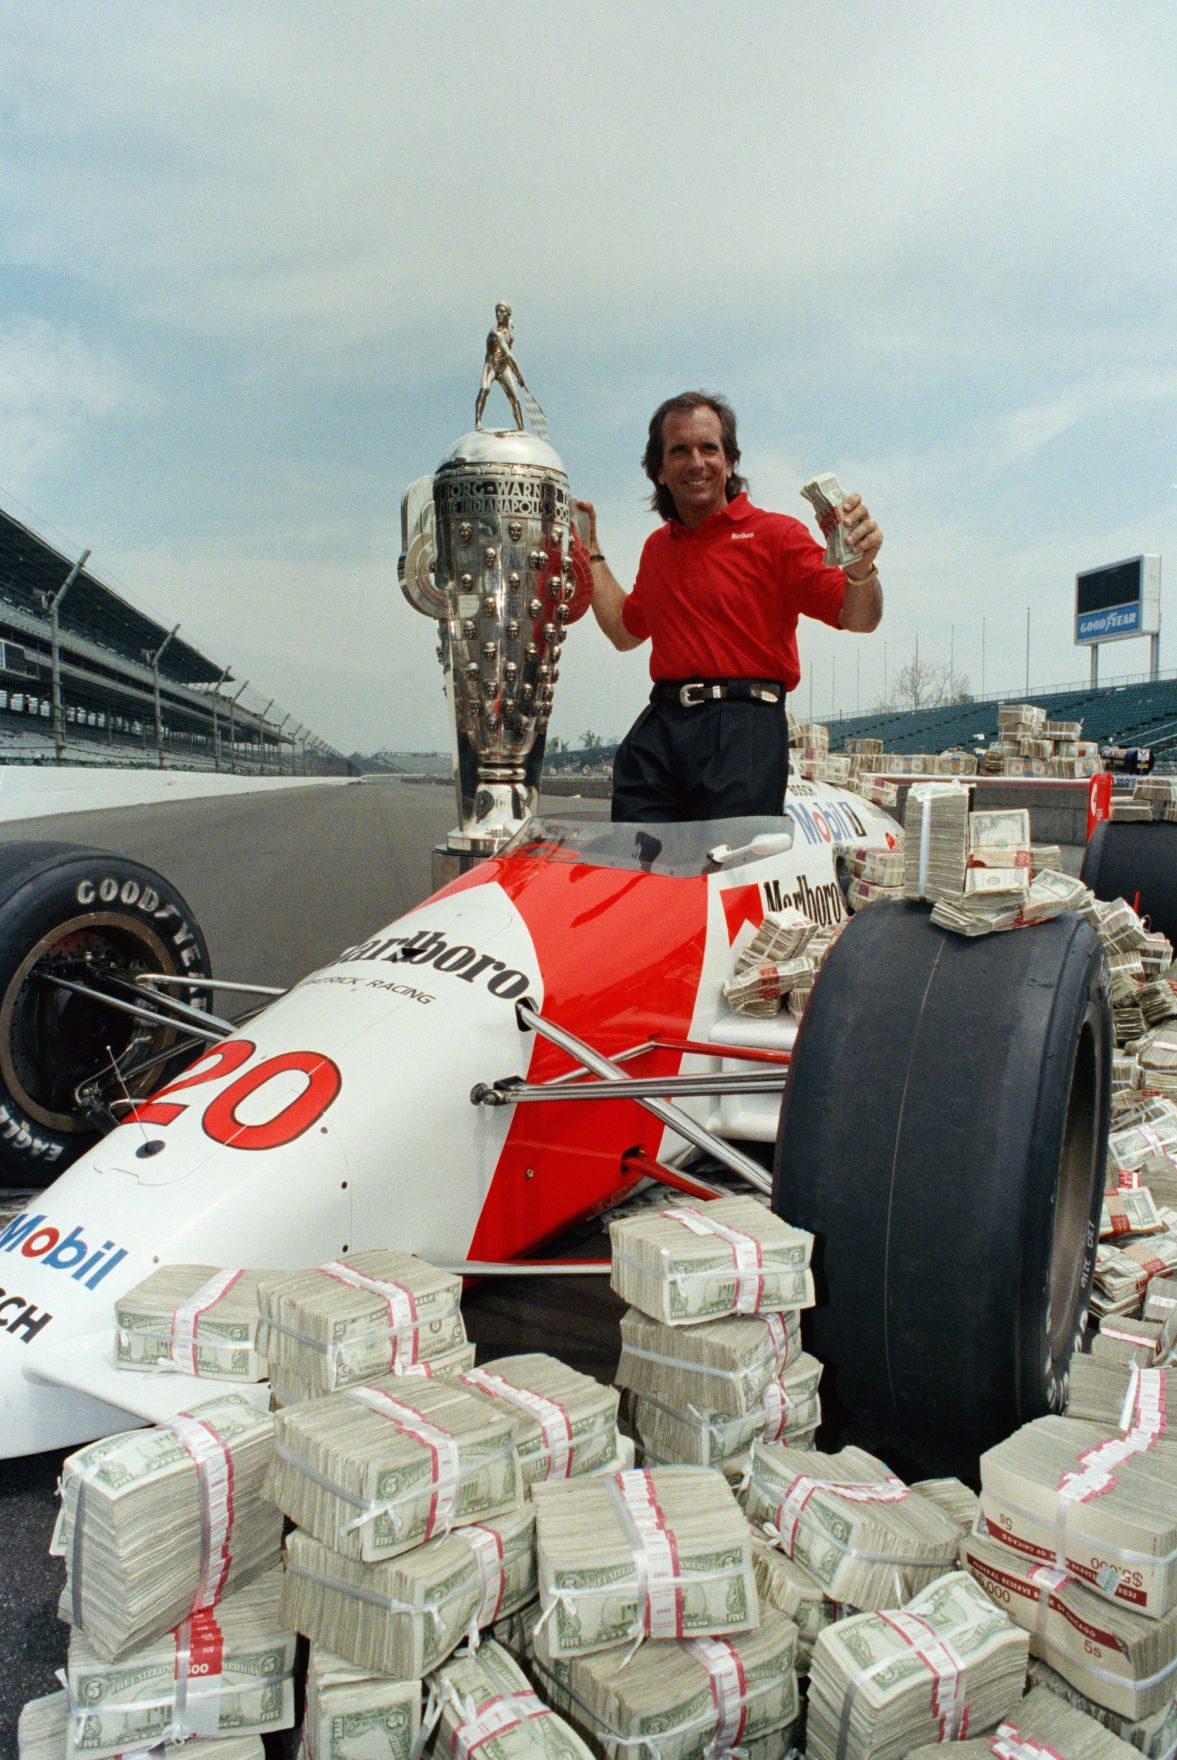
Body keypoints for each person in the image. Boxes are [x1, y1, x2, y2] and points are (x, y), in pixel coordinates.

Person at [576, 390, 883, 822]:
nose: (696, 462)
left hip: (744, 727)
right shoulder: (657, 549)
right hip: (661, 725)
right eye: (679, 450)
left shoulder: (777, 536)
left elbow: (861, 618)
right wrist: (590, 553)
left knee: (725, 872)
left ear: (730, 461)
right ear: (660, 471)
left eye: (709, 448)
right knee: (639, 870)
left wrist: (861, 570)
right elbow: (625, 632)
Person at [474, 303, 526, 431]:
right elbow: (509, 354)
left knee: (515, 398)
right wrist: (519, 375)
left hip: (503, 366)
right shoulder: (495, 333)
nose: (498, 314)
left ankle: (521, 428)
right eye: (496, 311)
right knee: (484, 389)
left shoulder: (510, 329)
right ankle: (478, 421)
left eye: (501, 311)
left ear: (508, 314)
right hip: (491, 364)